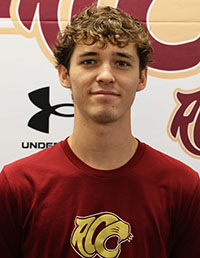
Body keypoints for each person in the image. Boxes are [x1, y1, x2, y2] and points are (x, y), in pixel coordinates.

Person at [0, 5, 200, 258]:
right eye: (90, 61)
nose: (105, 75)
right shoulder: (17, 184)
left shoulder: (182, 187)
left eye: (121, 62)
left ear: (141, 78)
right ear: (65, 74)